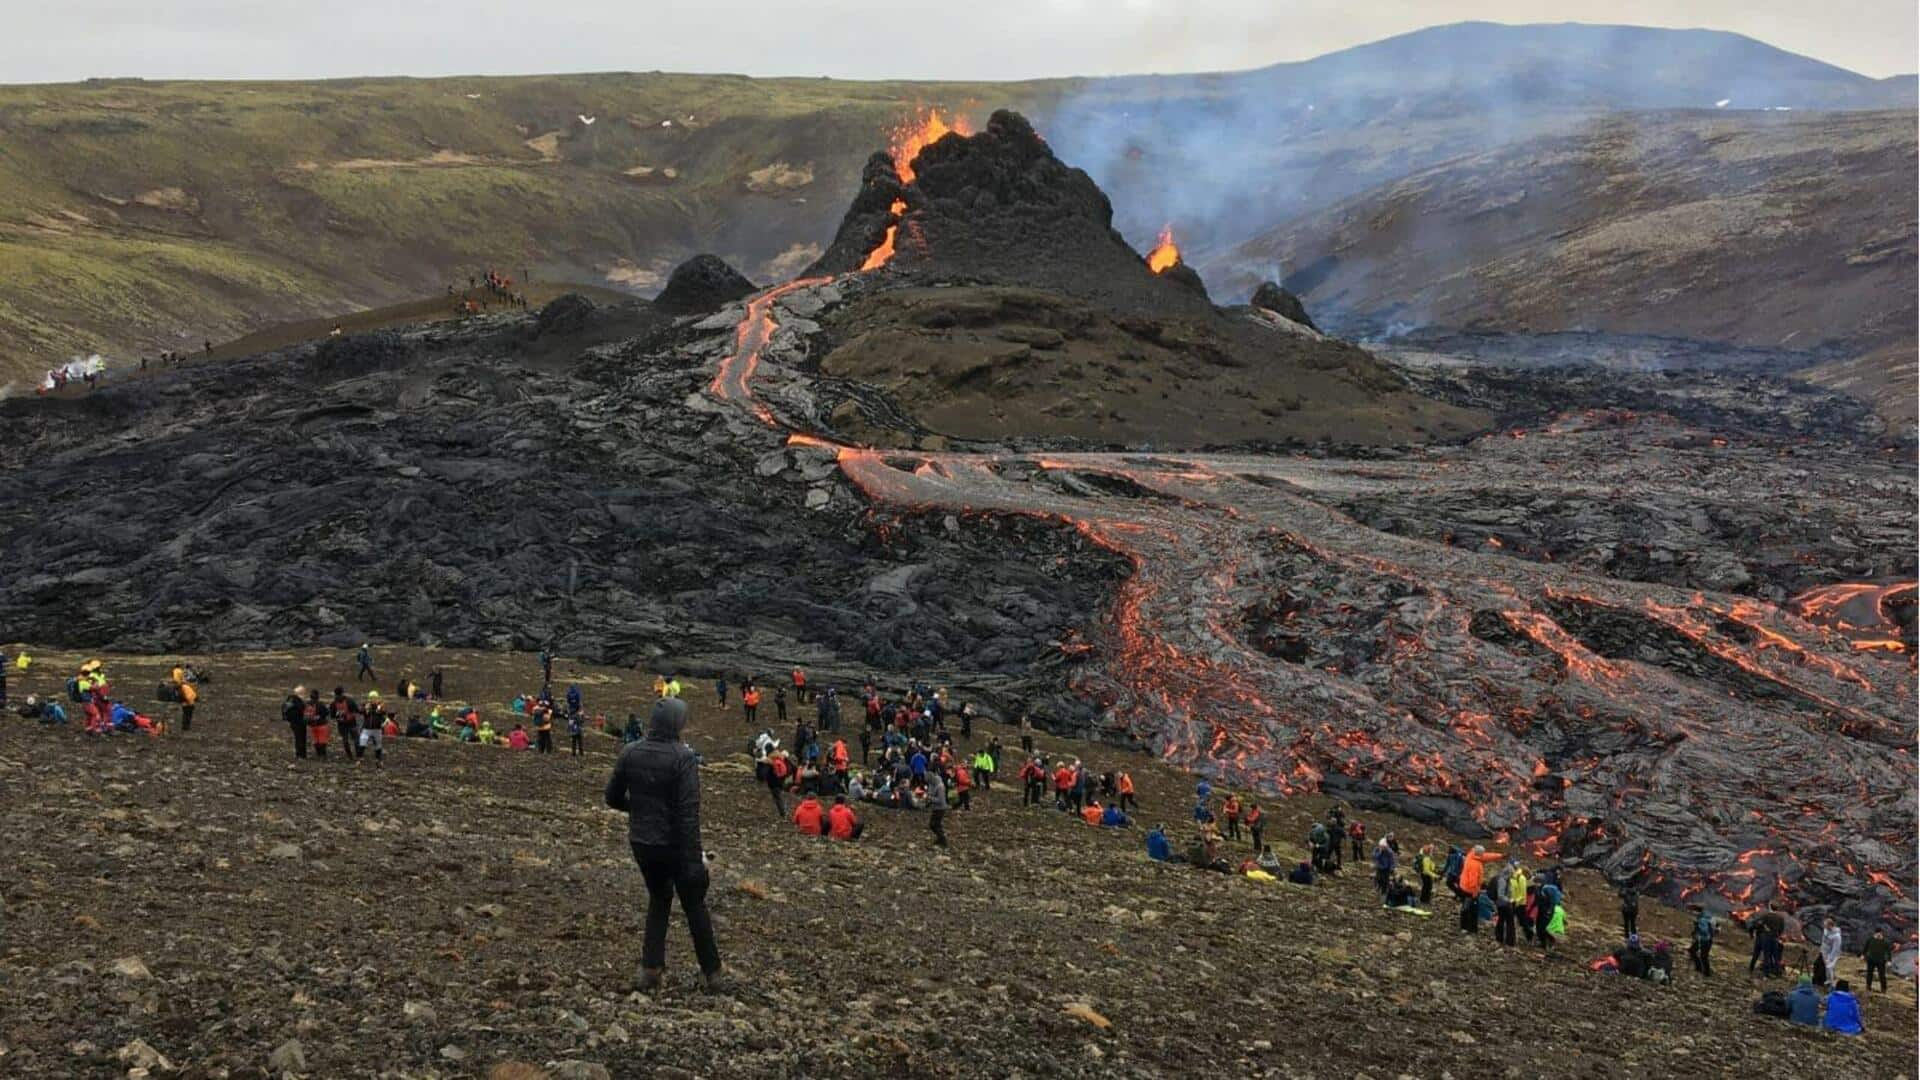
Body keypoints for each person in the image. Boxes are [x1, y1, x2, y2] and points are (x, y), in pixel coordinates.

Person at [604, 695, 724, 992]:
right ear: (676, 723)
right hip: (674, 844)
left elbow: (612, 797)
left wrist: (641, 810)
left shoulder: (630, 752)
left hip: (642, 843)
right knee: (694, 904)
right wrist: (695, 861)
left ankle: (651, 969)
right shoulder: (683, 758)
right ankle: (713, 973)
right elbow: (688, 813)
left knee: (659, 899)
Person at [282, 686, 309, 760]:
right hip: (299, 723)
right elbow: (302, 710)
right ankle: (301, 755)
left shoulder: (290, 700)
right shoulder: (297, 701)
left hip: (293, 723)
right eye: (304, 692)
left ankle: (299, 754)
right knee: (301, 738)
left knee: (298, 738)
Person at [1689, 906, 1716, 976]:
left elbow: (1704, 931)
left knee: (1703, 956)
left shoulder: (1702, 920)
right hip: (1705, 939)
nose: (1693, 913)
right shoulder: (1706, 917)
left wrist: (1697, 925)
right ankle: (1700, 968)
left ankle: (1706, 972)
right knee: (1692, 951)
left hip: (1705, 940)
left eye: (1694, 911)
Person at [925, 769, 949, 848]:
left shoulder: (940, 786)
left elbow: (940, 800)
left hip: (941, 809)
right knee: (934, 825)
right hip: (935, 808)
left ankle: (943, 840)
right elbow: (930, 792)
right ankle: (940, 838)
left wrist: (930, 798)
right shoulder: (932, 784)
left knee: (935, 825)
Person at [1862, 928, 1892, 992]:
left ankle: (1883, 988)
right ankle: (1868, 986)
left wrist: (1889, 960)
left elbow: (1888, 951)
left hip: (1881, 961)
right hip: (1871, 959)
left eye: (1880, 933)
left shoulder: (1885, 941)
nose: (1879, 934)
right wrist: (1863, 954)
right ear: (1875, 933)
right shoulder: (1870, 939)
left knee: (1882, 975)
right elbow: (1865, 947)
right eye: (1878, 933)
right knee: (1869, 973)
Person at [1817, 918, 1843, 988]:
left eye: (1825, 925)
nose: (1824, 926)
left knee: (1829, 967)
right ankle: (1827, 980)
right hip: (1825, 951)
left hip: (1832, 953)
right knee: (1826, 967)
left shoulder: (1837, 936)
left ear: (1830, 925)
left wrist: (1830, 958)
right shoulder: (1826, 930)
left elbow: (1836, 948)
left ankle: (1832, 984)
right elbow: (1823, 941)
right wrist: (1822, 949)